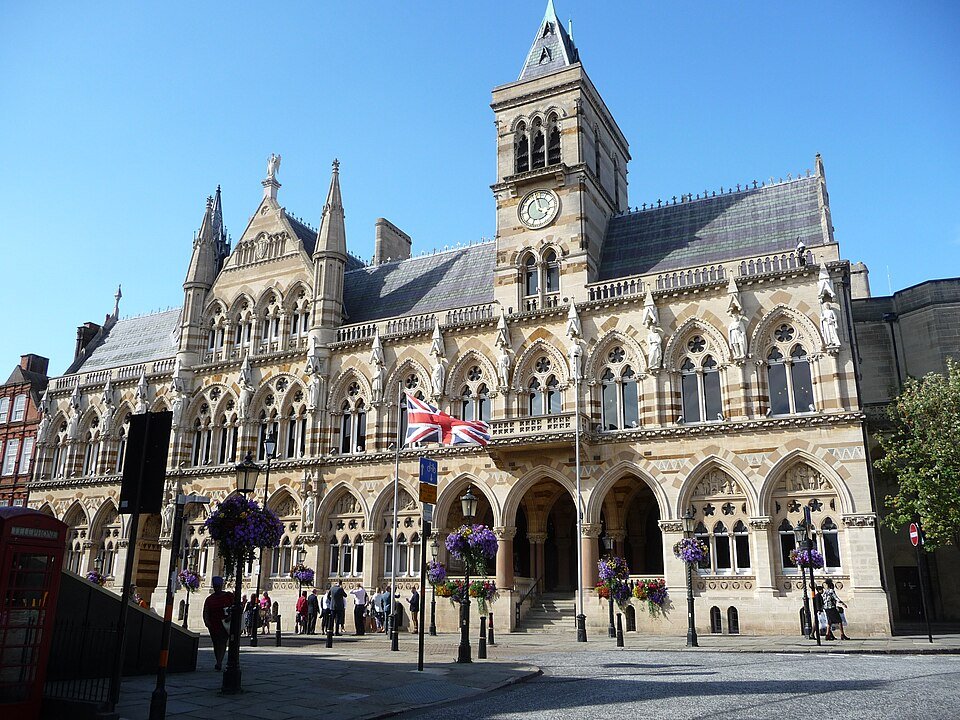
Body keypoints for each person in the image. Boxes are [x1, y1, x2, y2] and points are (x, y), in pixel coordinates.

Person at [202, 576, 234, 671]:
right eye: (215, 586)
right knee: (216, 643)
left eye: (218, 586)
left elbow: (234, 607)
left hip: (225, 624)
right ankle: (218, 659)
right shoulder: (210, 599)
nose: (216, 589)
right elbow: (206, 611)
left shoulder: (228, 596)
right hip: (213, 624)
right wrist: (207, 622)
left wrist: (230, 617)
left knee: (222, 642)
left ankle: (219, 661)